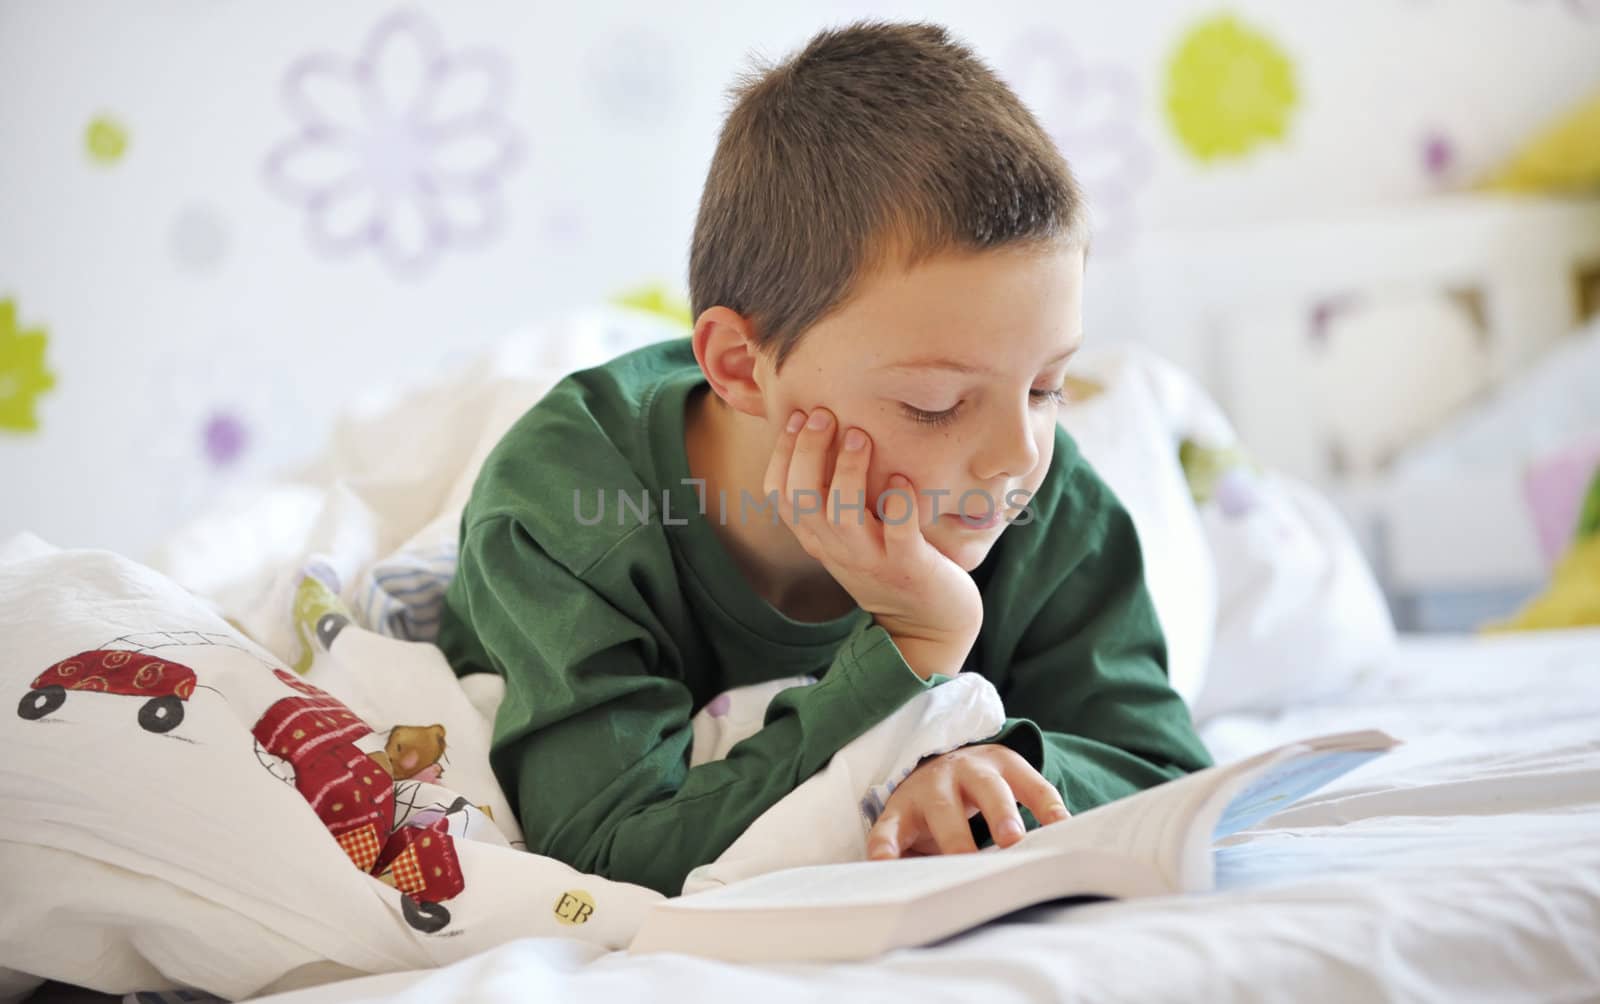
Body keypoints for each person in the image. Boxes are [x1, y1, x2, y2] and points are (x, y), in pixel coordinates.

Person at [438, 20, 1212, 898]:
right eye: (936, 404)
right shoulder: (566, 512)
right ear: (739, 366)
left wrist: (987, 773)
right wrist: (909, 651)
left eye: (1046, 385)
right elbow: (602, 853)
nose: (1014, 457)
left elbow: (1169, 769)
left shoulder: (1042, 488)